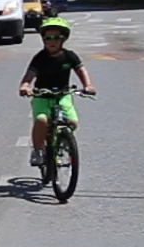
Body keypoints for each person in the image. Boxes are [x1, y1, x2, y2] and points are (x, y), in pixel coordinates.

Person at [19, 16, 96, 168]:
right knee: (41, 120)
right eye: (47, 38)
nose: (51, 41)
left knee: (72, 122)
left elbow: (81, 70)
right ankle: (38, 151)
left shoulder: (69, 56)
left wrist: (88, 86)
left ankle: (63, 140)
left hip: (63, 95)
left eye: (56, 37)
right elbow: (29, 76)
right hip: (42, 96)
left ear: (63, 39)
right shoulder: (40, 58)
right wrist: (25, 86)